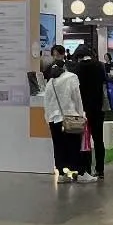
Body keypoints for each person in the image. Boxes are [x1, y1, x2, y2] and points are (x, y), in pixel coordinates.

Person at [43, 54, 86, 182]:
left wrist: (48, 118)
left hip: (54, 119)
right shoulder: (72, 78)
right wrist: (81, 114)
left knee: (59, 147)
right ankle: (79, 173)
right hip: (70, 117)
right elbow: (77, 98)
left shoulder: (50, 82)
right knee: (74, 146)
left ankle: (62, 174)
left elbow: (46, 102)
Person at [72, 45, 109, 179]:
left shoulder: (77, 69)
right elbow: (105, 85)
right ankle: (100, 170)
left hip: (82, 109)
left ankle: (86, 169)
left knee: (84, 140)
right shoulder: (100, 66)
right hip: (98, 108)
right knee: (99, 140)